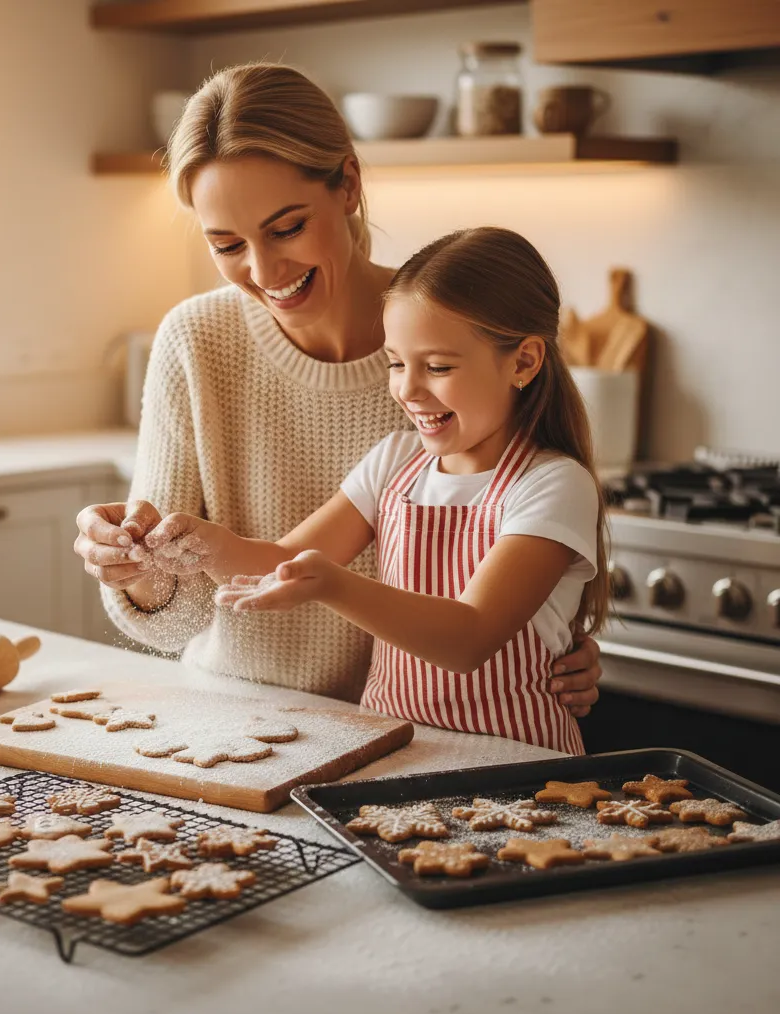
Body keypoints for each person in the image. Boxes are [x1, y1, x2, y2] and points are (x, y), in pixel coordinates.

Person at [73, 63, 601, 717]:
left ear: (348, 184)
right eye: (227, 243)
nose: (264, 271)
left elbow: (522, 583)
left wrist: (552, 640)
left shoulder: (452, 337)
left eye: (286, 228)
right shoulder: (195, 341)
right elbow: (188, 611)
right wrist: (142, 565)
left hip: (406, 734)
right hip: (242, 715)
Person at [142, 227, 607, 755]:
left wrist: (333, 585)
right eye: (396, 362)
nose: (408, 390)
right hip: (392, 753)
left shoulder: (552, 484)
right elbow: (281, 562)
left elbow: (467, 638)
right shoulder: (394, 461)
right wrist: (195, 541)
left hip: (515, 766)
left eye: (437, 367)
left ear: (523, 362)